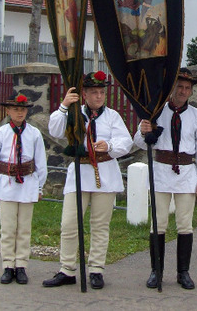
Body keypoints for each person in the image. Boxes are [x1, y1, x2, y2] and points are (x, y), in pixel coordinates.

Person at [43, 71, 134, 290]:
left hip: (105, 172)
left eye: (102, 92)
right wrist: (64, 105)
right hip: (80, 173)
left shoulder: (112, 116)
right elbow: (54, 130)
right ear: (84, 94)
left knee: (100, 225)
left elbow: (126, 142)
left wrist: (109, 146)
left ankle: (96, 270)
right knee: (69, 223)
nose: (99, 96)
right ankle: (66, 269)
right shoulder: (74, 113)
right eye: (94, 92)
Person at [134, 68, 197, 290]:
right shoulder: (156, 111)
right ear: (172, 88)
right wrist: (144, 130)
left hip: (187, 173)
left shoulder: (196, 116)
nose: (183, 91)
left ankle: (183, 272)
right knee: (158, 223)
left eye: (187, 88)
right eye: (180, 87)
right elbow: (139, 142)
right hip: (161, 171)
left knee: (185, 224)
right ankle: (155, 271)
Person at [0, 93, 47, 285]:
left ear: (27, 111)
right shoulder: (0, 133)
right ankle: (7, 265)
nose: (20, 113)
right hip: (7, 185)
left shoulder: (34, 134)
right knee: (8, 228)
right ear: (8, 111)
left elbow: (41, 163)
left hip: (27, 184)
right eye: (16, 109)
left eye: (23, 109)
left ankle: (21, 265)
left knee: (24, 228)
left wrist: (39, 187)